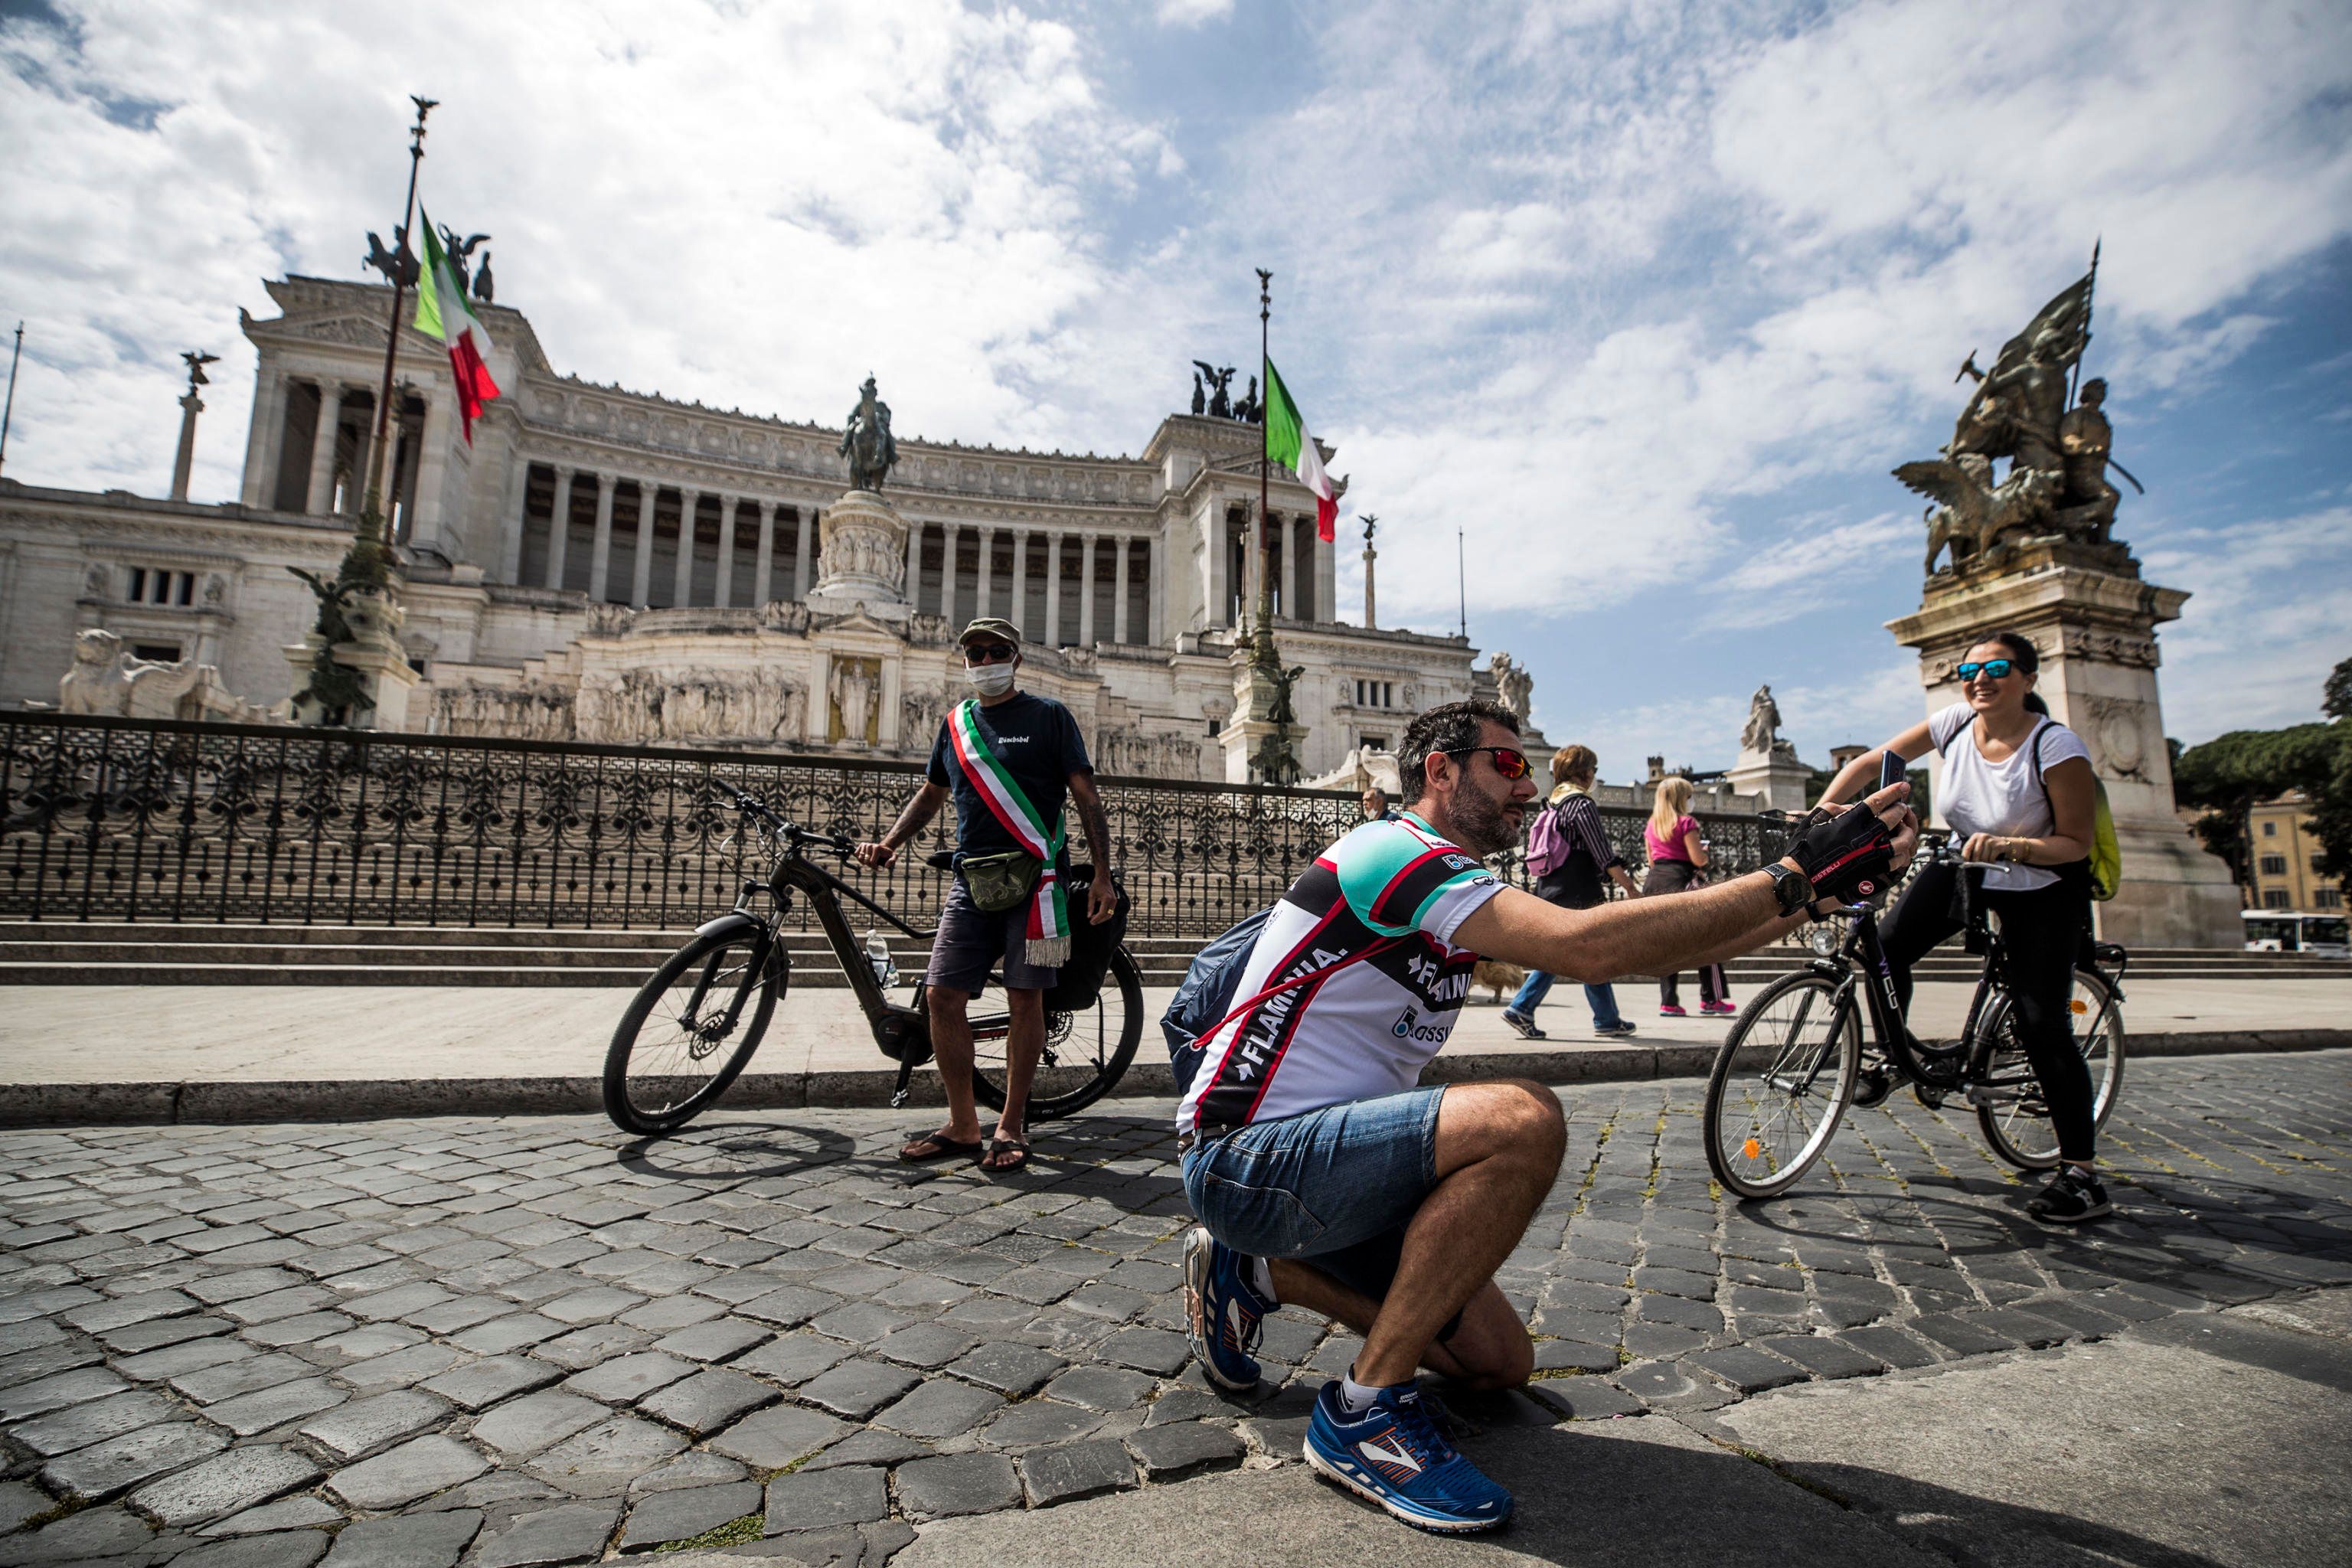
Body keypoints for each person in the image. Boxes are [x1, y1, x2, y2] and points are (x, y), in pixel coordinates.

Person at [1180, 699, 1916, 1534]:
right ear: (1440, 768)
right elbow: (1587, 945)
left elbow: (1652, 946)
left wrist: (1811, 893)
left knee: (1495, 1363)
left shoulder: (1453, 879)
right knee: (1523, 1117)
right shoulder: (1396, 849)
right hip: (1248, 1156)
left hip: (1326, 1168)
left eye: (1530, 766)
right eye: (1510, 764)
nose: (1527, 788)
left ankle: (1258, 1271)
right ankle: (1364, 1413)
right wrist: (1789, 875)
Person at [1820, 629, 2106, 1223]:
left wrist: (2014, 846)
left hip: (2044, 884)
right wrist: (1828, 807)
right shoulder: (1953, 722)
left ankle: (2081, 1173)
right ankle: (1898, 1059)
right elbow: (1879, 760)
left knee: (2041, 1024)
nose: (1980, 678)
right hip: (1967, 865)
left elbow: (2075, 844)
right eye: (1968, 670)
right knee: (1886, 948)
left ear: (2027, 677)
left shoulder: (2057, 747)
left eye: (1996, 667)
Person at [856, 618, 1119, 1172]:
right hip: (971, 882)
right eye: (975, 652)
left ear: (1016, 659)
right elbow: (931, 796)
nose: (985, 660)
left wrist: (1101, 874)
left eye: (996, 651)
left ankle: (1012, 1123)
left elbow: (1087, 798)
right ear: (966, 661)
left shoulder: (1050, 716)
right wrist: (889, 842)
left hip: (1042, 886)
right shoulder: (955, 725)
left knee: (1029, 998)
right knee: (940, 996)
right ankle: (963, 1123)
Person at [1501, 745, 1639, 1041]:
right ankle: (1525, 1006)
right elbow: (1602, 852)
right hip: (1578, 888)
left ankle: (1604, 1018)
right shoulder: (1580, 804)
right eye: (1594, 769)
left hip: (1550, 885)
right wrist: (1629, 886)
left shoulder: (1553, 803)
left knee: (1575, 950)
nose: (1594, 776)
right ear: (1584, 771)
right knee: (1593, 949)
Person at [1642, 777, 1732, 1017]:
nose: (1692, 800)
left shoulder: (1652, 825)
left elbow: (1651, 860)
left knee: (1668, 946)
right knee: (1707, 941)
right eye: (1689, 795)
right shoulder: (1686, 822)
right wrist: (1704, 853)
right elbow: (1697, 859)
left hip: (1655, 883)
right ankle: (1711, 998)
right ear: (1682, 798)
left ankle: (1669, 1002)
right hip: (1681, 882)